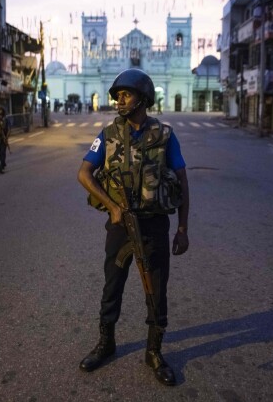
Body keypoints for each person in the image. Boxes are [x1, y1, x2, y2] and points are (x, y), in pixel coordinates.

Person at [77, 68, 190, 386]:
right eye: (117, 96)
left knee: (156, 291)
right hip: (120, 226)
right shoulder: (108, 135)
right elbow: (84, 173)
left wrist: (182, 228)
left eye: (125, 95)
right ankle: (106, 343)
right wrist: (112, 207)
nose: (118, 101)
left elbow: (181, 180)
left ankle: (154, 351)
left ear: (142, 98)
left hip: (154, 226)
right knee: (112, 286)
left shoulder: (165, 135)